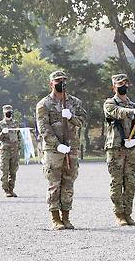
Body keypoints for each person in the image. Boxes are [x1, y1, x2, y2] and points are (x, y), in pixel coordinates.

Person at [36, 70, 87, 230]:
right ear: (51, 83)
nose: (61, 83)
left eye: (64, 80)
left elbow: (83, 121)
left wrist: (71, 116)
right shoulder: (44, 104)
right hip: (53, 150)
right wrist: (57, 144)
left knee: (68, 183)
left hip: (71, 148)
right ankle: (55, 218)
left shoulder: (74, 102)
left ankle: (66, 217)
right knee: (54, 183)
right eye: (58, 80)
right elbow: (43, 128)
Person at [103, 73, 135, 226]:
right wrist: (132, 112)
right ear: (114, 86)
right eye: (120, 84)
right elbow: (117, 112)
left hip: (131, 150)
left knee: (131, 183)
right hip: (115, 149)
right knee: (117, 182)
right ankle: (119, 214)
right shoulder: (109, 103)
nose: (123, 86)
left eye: (125, 84)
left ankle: (128, 213)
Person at [0, 105, 21, 197]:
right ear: (4, 113)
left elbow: (19, 136)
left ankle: (11, 189)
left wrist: (19, 147)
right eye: (7, 112)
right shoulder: (0, 125)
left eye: (10, 112)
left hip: (14, 149)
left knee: (13, 171)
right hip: (5, 150)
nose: (9, 114)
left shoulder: (16, 123)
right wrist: (2, 133)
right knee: (5, 170)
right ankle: (6, 190)